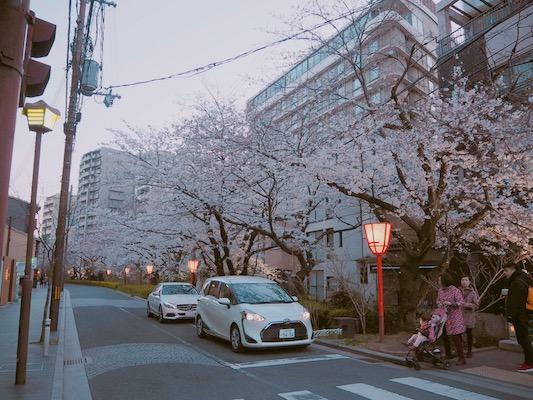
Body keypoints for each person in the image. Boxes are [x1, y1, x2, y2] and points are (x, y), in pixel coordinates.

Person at [503, 264, 533, 372]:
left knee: (523, 339)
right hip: (525, 313)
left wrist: (510, 315)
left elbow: (515, 302)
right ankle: (529, 360)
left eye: (506, 271)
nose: (504, 273)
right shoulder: (525, 278)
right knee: (524, 338)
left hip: (519, 315)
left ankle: (530, 362)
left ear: (512, 270)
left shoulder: (517, 282)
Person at [437, 272, 466, 365]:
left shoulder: (455, 290)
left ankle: (462, 357)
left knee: (456, 336)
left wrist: (451, 303)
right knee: (444, 334)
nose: (438, 282)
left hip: (454, 316)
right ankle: (448, 353)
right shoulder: (440, 291)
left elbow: (461, 302)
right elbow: (438, 300)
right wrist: (439, 304)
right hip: (444, 315)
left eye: (439, 280)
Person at [460, 275, 479, 358]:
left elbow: (476, 305)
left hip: (468, 315)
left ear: (469, 282)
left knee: (469, 334)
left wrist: (468, 305)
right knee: (458, 334)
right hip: (459, 316)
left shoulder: (472, 292)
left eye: (466, 280)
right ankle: (460, 350)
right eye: (462, 280)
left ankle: (469, 351)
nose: (464, 282)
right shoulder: (458, 291)